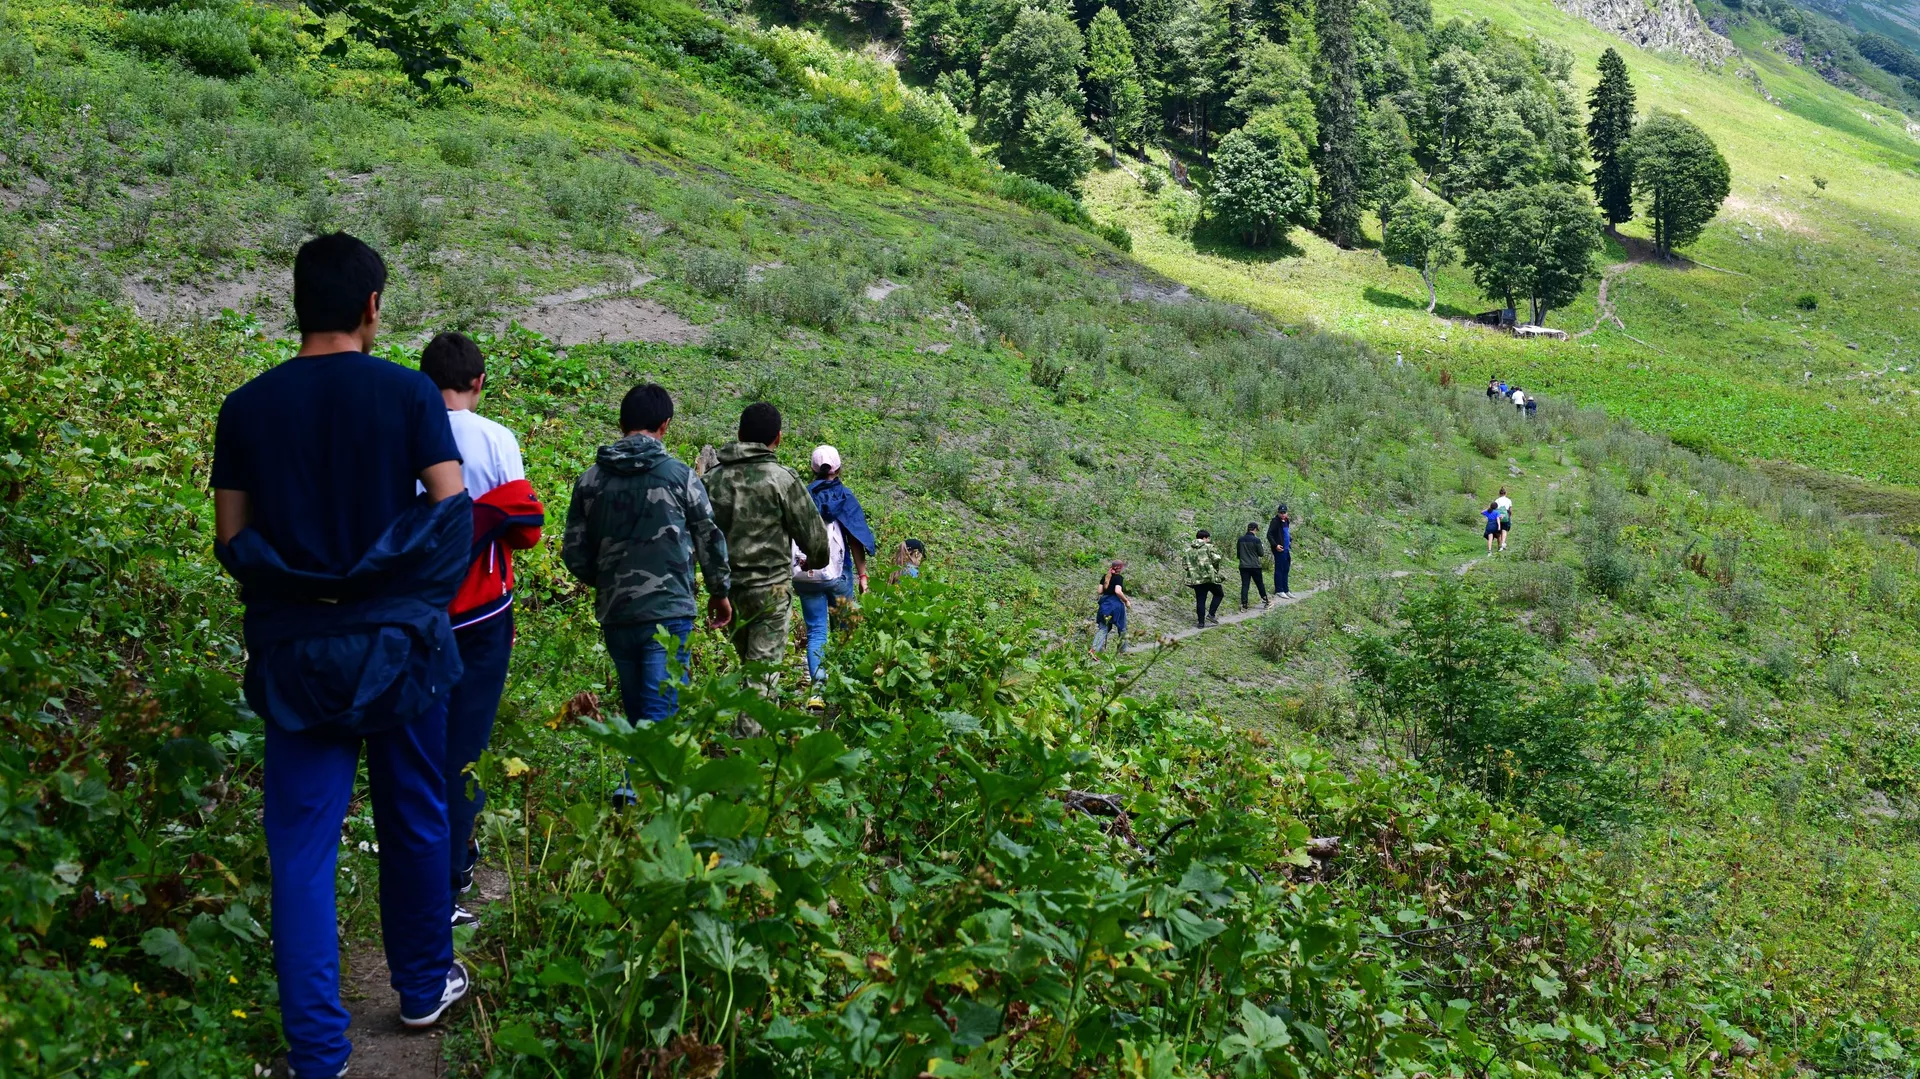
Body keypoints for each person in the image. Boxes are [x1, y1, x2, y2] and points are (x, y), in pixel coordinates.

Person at [211, 233, 470, 1078]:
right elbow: (451, 511)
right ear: (371, 308)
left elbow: (233, 538)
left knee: (301, 848)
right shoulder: (407, 395)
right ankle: (425, 985)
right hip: (399, 645)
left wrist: (309, 588)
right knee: (417, 816)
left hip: (297, 653)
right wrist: (388, 588)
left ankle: (319, 1053)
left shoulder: (247, 407)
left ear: (297, 302)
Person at [418, 331, 546, 929]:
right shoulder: (496, 437)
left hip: (416, 611)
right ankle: (449, 880)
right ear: (479, 383)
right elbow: (527, 529)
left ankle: (418, 863)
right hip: (482, 613)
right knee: (466, 750)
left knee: (418, 740)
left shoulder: (406, 430)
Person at [562, 383, 732, 739]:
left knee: (638, 704)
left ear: (621, 422)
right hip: (668, 609)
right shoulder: (679, 475)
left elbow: (575, 552)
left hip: (617, 612)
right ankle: (635, 786)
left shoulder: (590, 481)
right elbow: (709, 537)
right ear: (665, 425)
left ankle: (635, 784)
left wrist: (610, 579)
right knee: (662, 706)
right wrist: (719, 590)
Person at [706, 402, 831, 698]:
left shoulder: (712, 480)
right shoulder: (782, 479)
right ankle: (746, 741)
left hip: (728, 591)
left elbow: (698, 536)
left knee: (752, 667)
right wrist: (811, 562)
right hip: (770, 592)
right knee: (760, 678)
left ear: (739, 433)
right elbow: (815, 539)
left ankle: (756, 736)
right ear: (778, 438)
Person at [796, 445, 877, 709]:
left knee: (817, 631)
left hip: (807, 575)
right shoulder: (845, 497)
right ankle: (843, 689)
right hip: (838, 575)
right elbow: (855, 539)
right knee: (845, 632)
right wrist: (863, 575)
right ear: (839, 468)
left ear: (812, 468)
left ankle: (817, 692)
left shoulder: (802, 497)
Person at [1182, 529, 1226, 628]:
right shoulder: (1208, 547)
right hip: (1209, 577)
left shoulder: (1188, 550)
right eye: (1208, 538)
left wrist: (1193, 570)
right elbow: (1217, 558)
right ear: (1204, 538)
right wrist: (1213, 567)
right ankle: (1211, 614)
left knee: (1200, 600)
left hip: (1196, 579)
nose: (1209, 540)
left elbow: (1185, 565)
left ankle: (1201, 623)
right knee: (1219, 594)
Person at [1090, 559, 1130, 653]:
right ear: (1120, 568)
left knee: (1103, 628)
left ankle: (1094, 650)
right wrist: (1126, 601)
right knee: (1122, 628)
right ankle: (1122, 651)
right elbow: (1118, 591)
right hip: (1116, 606)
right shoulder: (1118, 578)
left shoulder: (1105, 577)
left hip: (1105, 605)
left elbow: (1100, 591)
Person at [1235, 522, 1269, 609]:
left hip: (1243, 566)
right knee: (1259, 583)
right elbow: (1261, 553)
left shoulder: (1240, 539)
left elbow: (1238, 554)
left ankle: (1244, 603)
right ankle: (1265, 599)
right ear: (1255, 529)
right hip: (1255, 566)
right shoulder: (1256, 540)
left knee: (1245, 584)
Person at [1266, 505, 1293, 599]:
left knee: (1286, 569)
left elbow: (1285, 533)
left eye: (1284, 512)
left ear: (1287, 513)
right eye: (1281, 513)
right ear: (1278, 513)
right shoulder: (1275, 522)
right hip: (1279, 549)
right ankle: (1279, 590)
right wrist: (1275, 545)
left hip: (1286, 549)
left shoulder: (1286, 521)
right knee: (1279, 569)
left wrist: (1290, 540)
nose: (1282, 514)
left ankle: (1286, 589)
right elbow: (1269, 535)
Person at [1494, 486, 1513, 552]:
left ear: (1499, 493)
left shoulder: (1497, 500)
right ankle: (1503, 544)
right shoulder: (1508, 500)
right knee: (1504, 530)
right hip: (1506, 516)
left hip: (1498, 517)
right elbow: (1510, 510)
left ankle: (1499, 546)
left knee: (1499, 531)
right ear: (1505, 493)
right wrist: (1509, 516)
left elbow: (1495, 509)